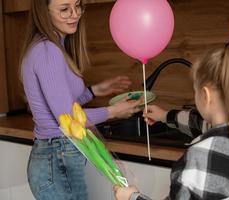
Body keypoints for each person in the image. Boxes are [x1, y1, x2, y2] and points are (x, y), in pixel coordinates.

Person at [114, 41, 229, 200]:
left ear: (205, 95)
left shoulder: (200, 156)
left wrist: (132, 197)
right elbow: (200, 124)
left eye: (194, 91)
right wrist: (165, 116)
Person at [20, 0, 142, 199]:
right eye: (64, 9)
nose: (75, 14)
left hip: (55, 156)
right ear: (44, 12)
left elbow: (61, 101)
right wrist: (113, 112)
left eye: (78, 6)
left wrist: (94, 91)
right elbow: (68, 118)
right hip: (56, 156)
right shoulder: (47, 51)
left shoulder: (51, 46)